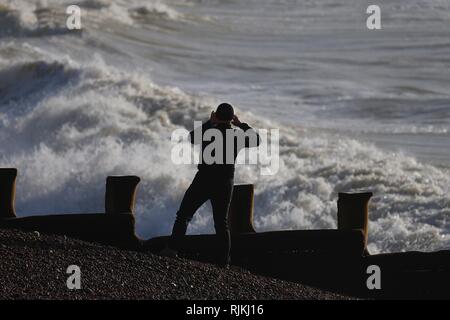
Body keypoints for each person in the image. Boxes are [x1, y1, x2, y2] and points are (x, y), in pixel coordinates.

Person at [161, 103, 260, 266]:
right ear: (231, 119)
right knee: (221, 223)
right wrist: (241, 124)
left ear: (216, 116)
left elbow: (191, 138)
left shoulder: (208, 132)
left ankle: (172, 249)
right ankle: (223, 262)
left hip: (204, 179)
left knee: (184, 215)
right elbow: (256, 140)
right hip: (225, 182)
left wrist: (209, 122)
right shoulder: (237, 136)